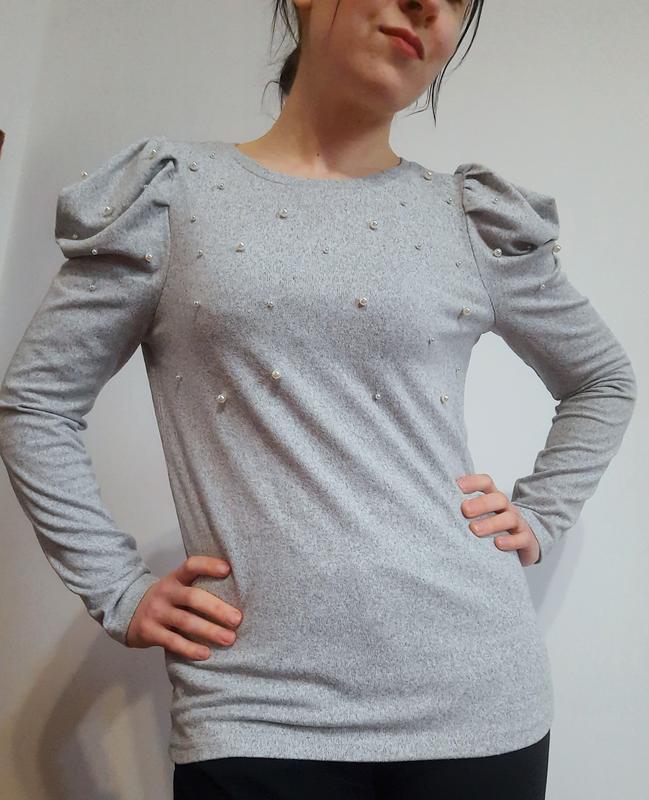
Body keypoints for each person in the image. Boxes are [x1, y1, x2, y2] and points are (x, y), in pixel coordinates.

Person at [0, 1, 637, 798]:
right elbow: (37, 403)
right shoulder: (169, 197)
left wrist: (539, 514)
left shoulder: (467, 218)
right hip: (254, 710)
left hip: (479, 700)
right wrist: (117, 588)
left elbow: (602, 380)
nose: (427, 6)